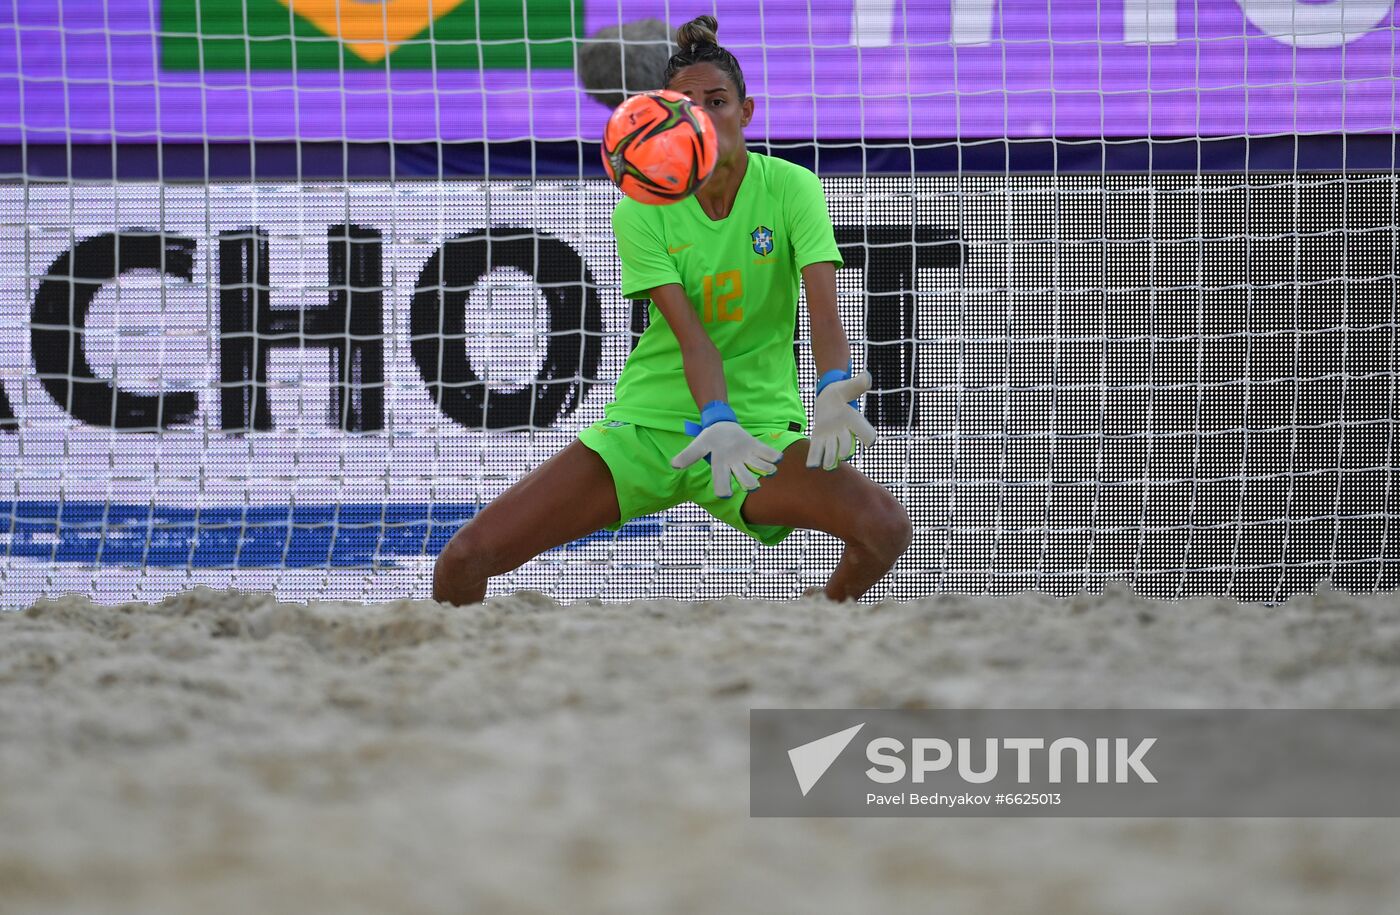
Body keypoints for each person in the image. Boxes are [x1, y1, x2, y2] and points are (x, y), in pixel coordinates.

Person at [433, 15, 911, 606]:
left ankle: (820, 619)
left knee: (885, 530)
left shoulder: (792, 187)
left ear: (747, 110)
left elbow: (823, 313)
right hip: (652, 424)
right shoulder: (642, 207)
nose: (706, 116)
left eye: (719, 101)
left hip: (757, 430)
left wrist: (836, 384)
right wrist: (713, 416)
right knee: (463, 560)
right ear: (668, 118)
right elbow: (693, 339)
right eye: (689, 105)